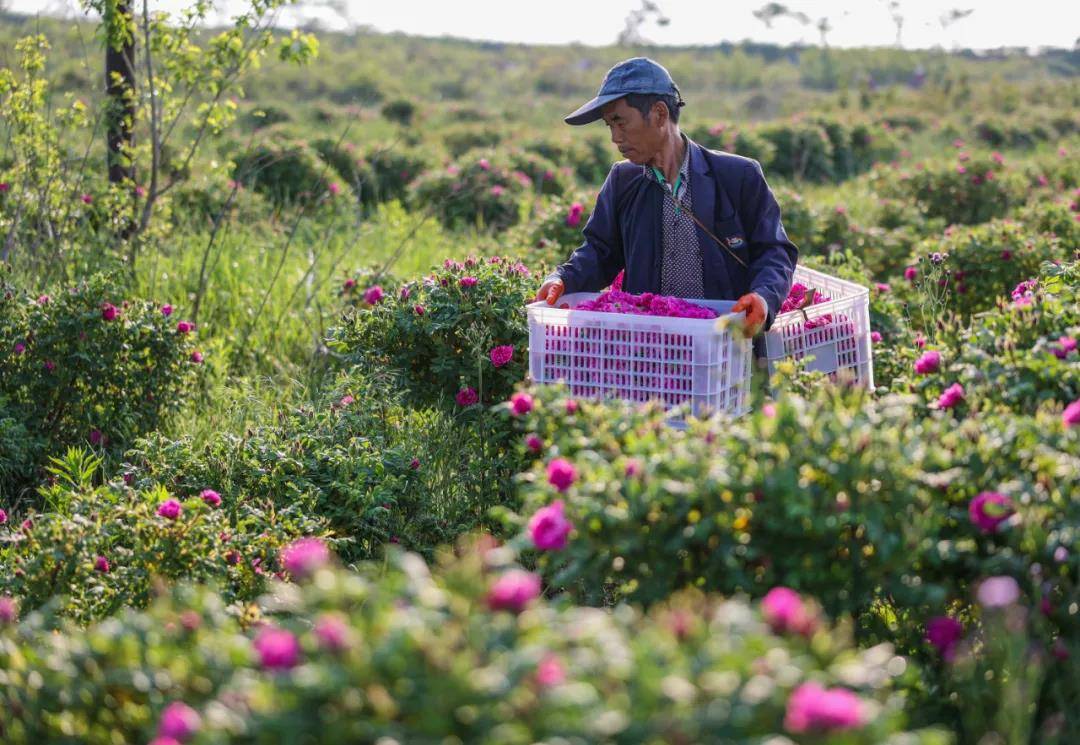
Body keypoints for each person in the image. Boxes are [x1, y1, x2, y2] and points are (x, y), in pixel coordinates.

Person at [535, 57, 798, 341]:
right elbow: (599, 252)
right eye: (609, 125)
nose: (614, 137)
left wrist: (763, 297)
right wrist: (562, 279)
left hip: (725, 345)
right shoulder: (623, 181)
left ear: (659, 114)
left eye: (620, 122)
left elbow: (773, 252)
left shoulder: (738, 176)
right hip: (651, 349)